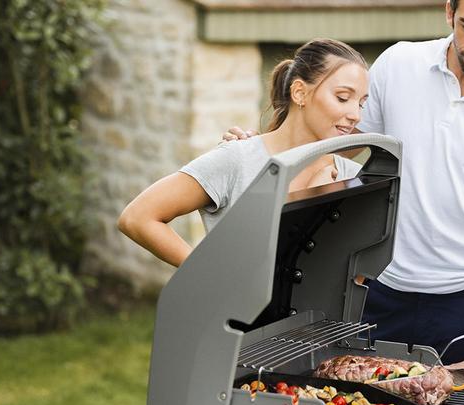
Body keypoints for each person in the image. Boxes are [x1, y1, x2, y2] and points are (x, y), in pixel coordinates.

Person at [225, 0, 464, 368]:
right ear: (448, 13)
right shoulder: (399, 65)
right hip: (378, 290)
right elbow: (334, 141)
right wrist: (259, 151)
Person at [118, 39, 369, 266]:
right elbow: (138, 217)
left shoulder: (353, 176)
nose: (355, 115)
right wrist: (205, 275)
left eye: (361, 103)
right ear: (300, 93)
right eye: (342, 97)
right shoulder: (239, 159)